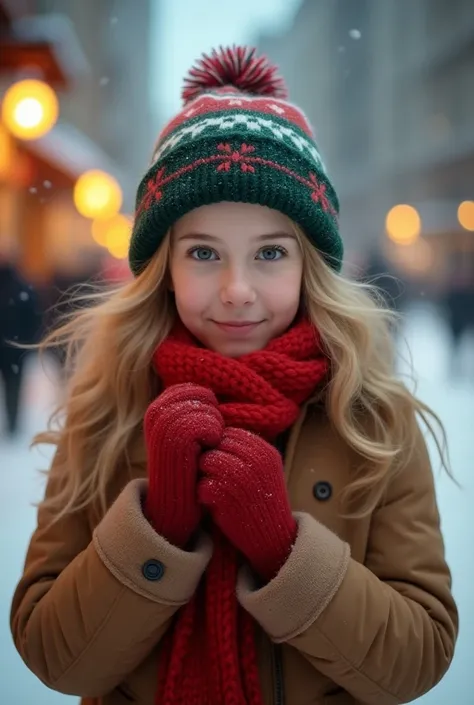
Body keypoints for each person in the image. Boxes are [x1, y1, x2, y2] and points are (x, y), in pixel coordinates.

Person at [10, 46, 458, 705]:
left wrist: (284, 553)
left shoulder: (372, 417)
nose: (237, 289)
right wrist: (157, 530)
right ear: (163, 265)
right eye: (203, 252)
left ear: (311, 266)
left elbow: (417, 657)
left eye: (270, 252)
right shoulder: (108, 407)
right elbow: (55, 655)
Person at [0, 260, 40, 436]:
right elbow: (35, 318)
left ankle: (13, 423)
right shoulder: (22, 287)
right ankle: (13, 422)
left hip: (13, 347)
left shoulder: (19, 288)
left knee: (13, 385)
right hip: (16, 348)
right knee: (14, 385)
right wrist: (29, 342)